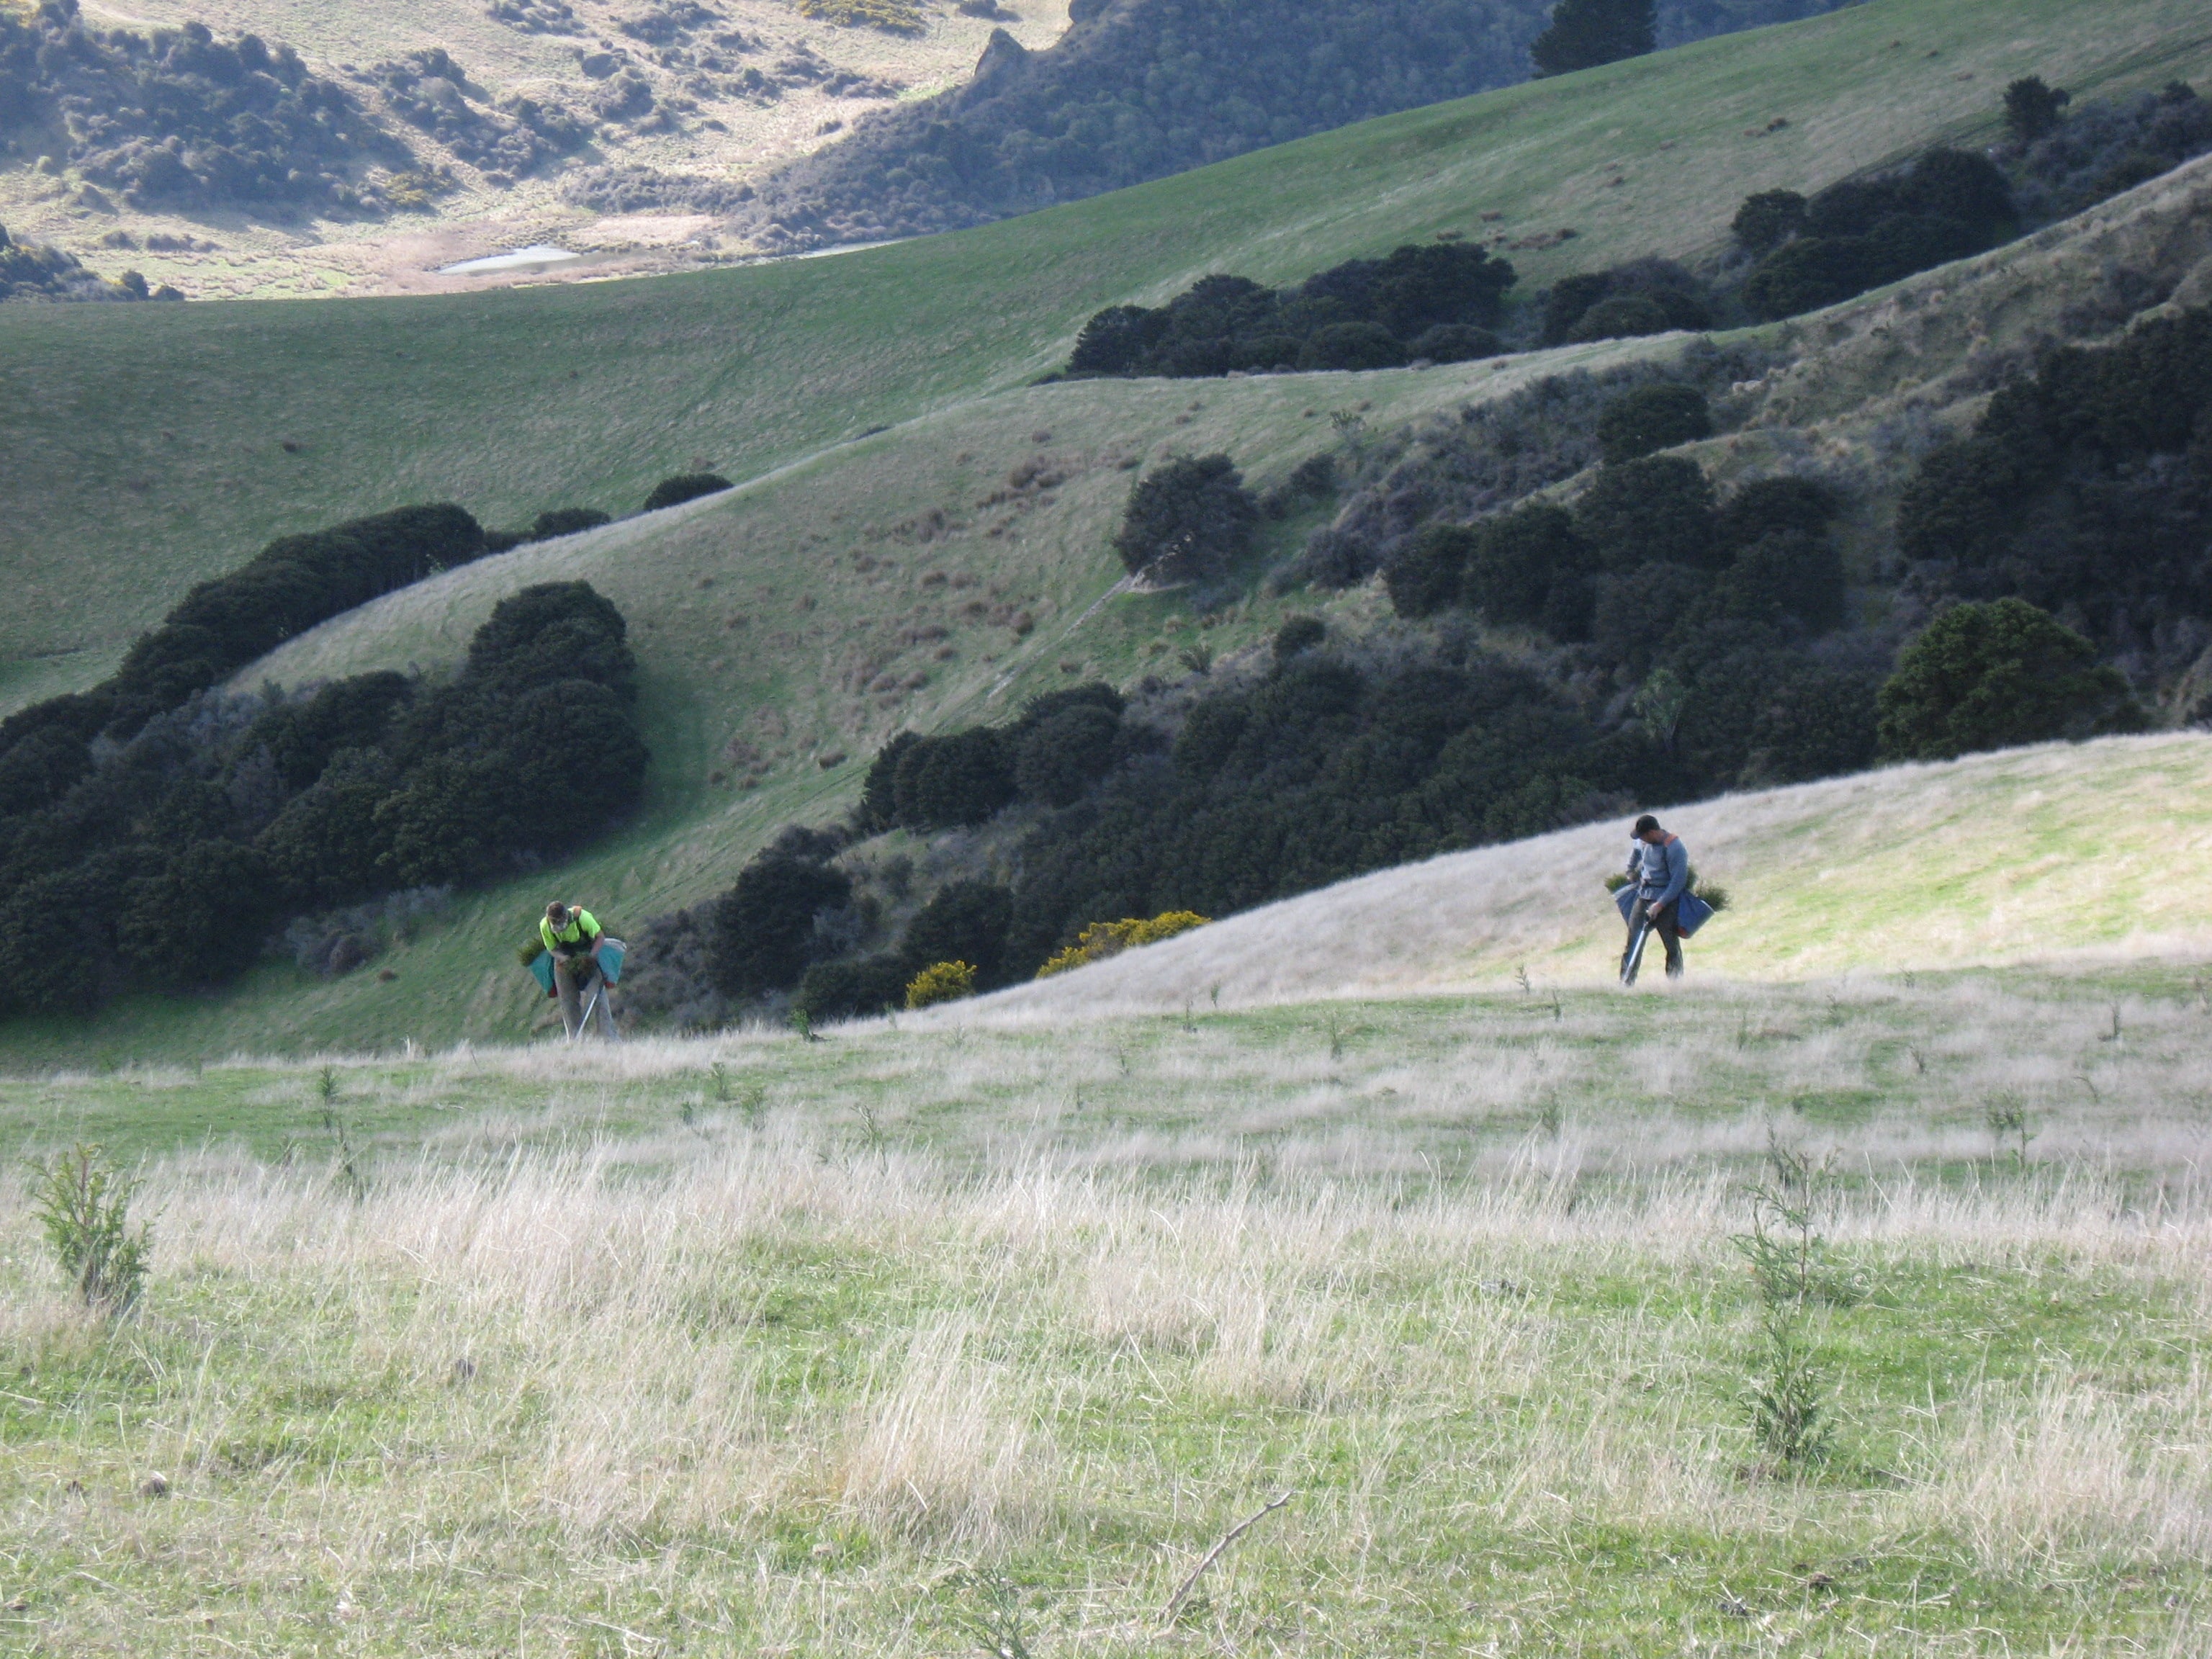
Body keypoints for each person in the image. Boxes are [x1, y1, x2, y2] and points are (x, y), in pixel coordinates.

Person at [1620, 814, 1689, 984]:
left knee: (1670, 944)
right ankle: (1626, 983)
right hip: (1643, 896)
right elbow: (1636, 855)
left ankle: (1675, 984)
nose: (1641, 839)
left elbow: (1678, 881)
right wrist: (1631, 871)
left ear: (1651, 832)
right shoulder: (1643, 843)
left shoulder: (1674, 847)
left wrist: (1660, 904)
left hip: (1667, 900)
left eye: (1643, 835)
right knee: (1633, 941)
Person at [539, 901, 617, 1040]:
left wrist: (591, 957)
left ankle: (608, 1037)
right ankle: (576, 1039)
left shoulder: (583, 918)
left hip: (589, 958)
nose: (558, 927)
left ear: (565, 916)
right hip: (565, 962)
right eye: (554, 924)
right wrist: (562, 958)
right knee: (567, 1001)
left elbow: (600, 937)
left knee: (597, 997)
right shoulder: (545, 925)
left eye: (560, 923)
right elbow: (551, 948)